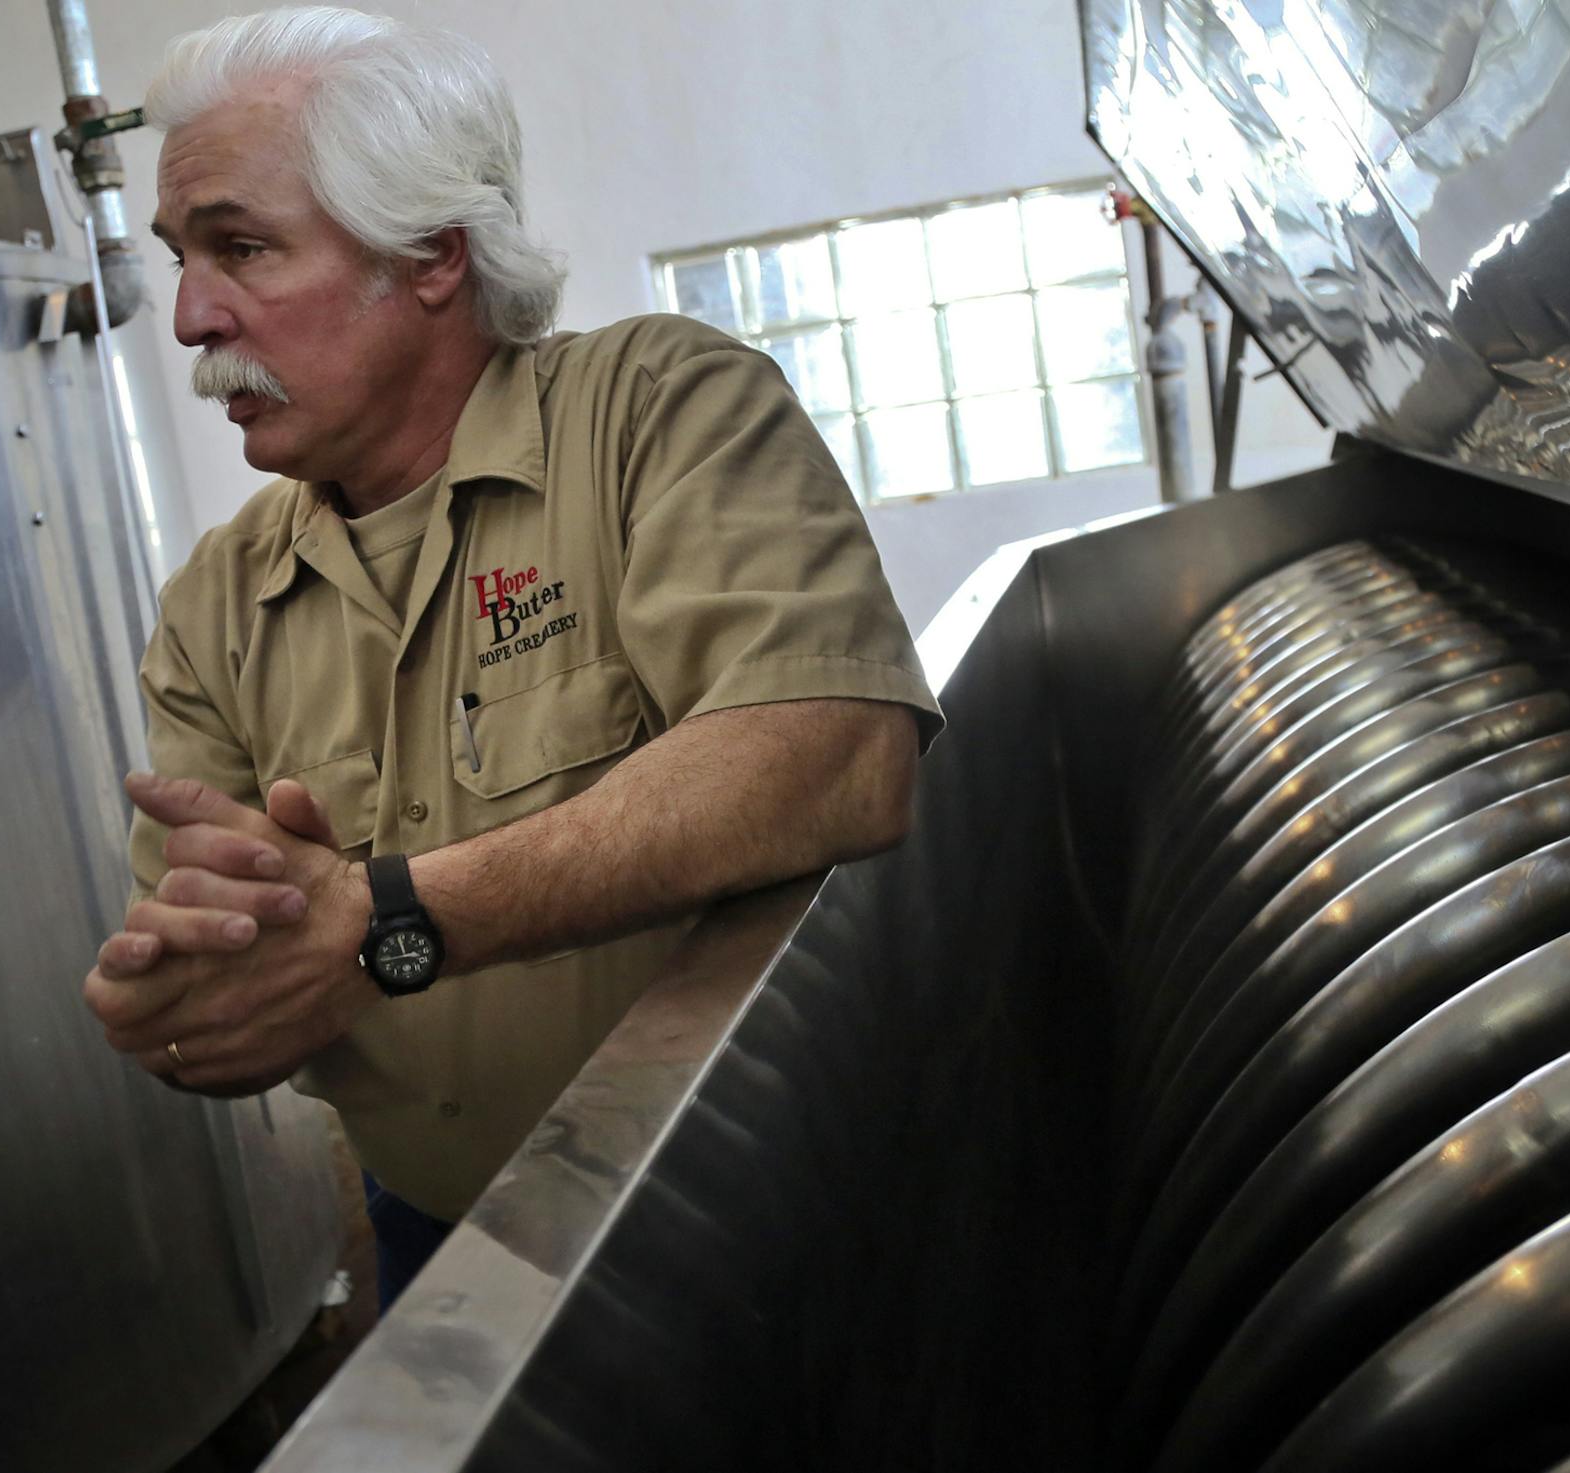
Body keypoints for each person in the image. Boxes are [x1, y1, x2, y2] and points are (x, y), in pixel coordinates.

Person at [79, 6, 941, 1310]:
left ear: (428, 251)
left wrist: (388, 921)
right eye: (181, 258)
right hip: (444, 1244)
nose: (193, 315)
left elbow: (832, 748)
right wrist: (188, 1000)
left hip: (767, 1214)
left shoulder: (659, 413)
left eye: (241, 246)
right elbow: (235, 961)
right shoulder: (219, 602)